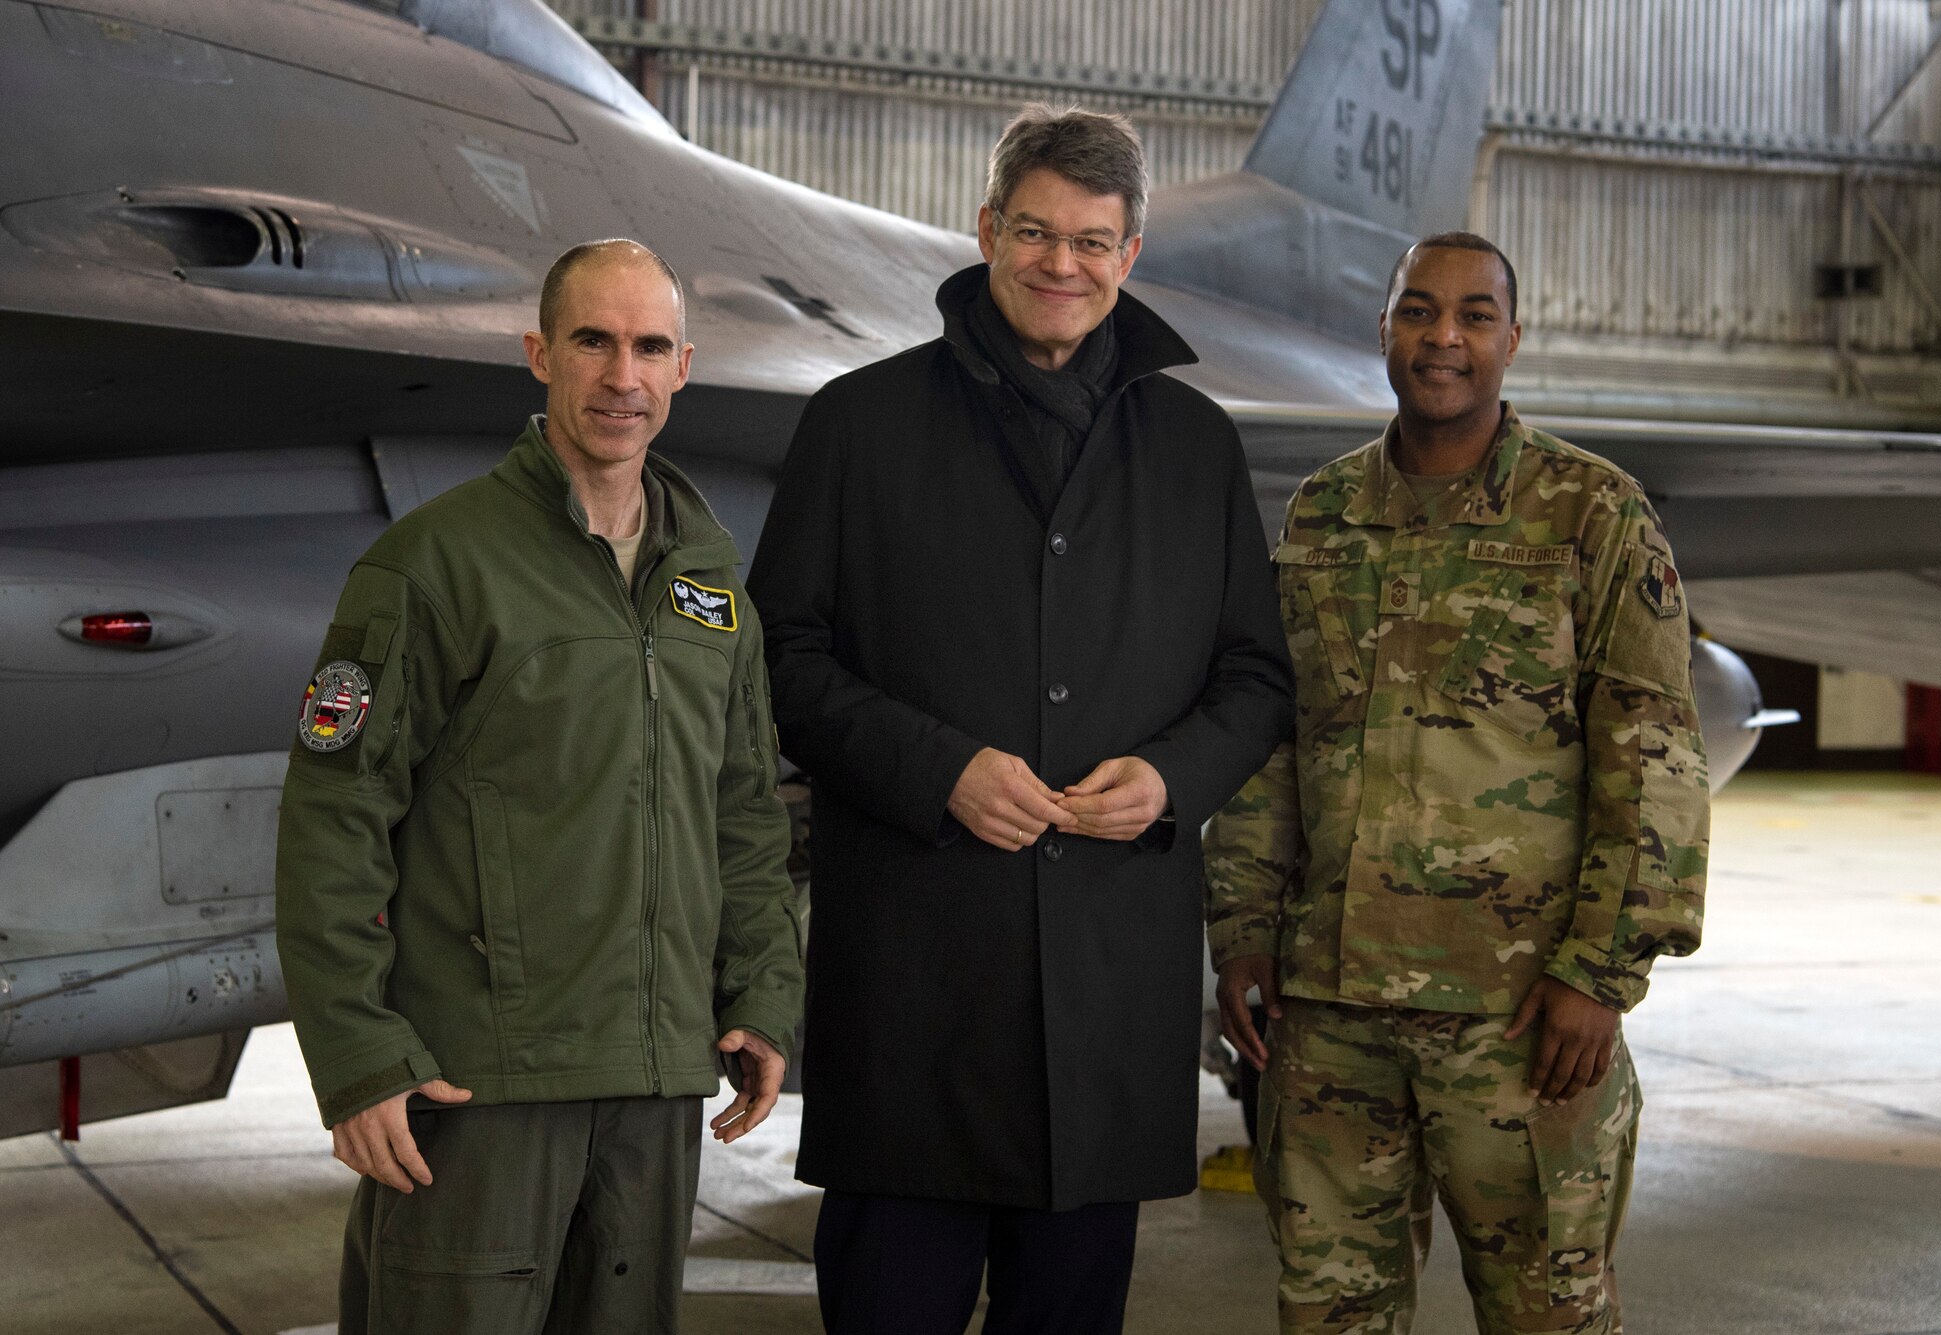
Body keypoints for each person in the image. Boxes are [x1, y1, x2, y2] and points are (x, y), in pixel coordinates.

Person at [746, 105, 1294, 1334]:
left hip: (1103, 1008)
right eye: (1036, 233)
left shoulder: (1196, 449)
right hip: (912, 1006)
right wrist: (935, 768)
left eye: (1093, 242)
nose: (1062, 265)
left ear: (1131, 253)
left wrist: (1169, 779)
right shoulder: (857, 423)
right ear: (986, 230)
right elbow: (776, 660)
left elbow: (1254, 677)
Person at [275, 239, 803, 1335]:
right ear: (538, 356)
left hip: (657, 1079)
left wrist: (759, 995)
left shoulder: (709, 584)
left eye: (649, 347)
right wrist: (358, 1055)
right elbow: (334, 816)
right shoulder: (435, 564)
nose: (623, 377)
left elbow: (744, 813)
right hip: (481, 1084)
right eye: (593, 342)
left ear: (683, 366)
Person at [1204, 232, 1709, 1334]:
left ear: (1511, 340)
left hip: (1518, 1018)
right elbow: (1274, 742)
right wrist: (1242, 924)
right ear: (1381, 329)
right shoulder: (1321, 515)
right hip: (1329, 1014)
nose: (1443, 337)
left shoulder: (1592, 513)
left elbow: (1653, 755)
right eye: (1416, 311)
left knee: (1545, 1313)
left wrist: (1600, 971)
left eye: (1473, 315)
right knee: (1330, 1313)